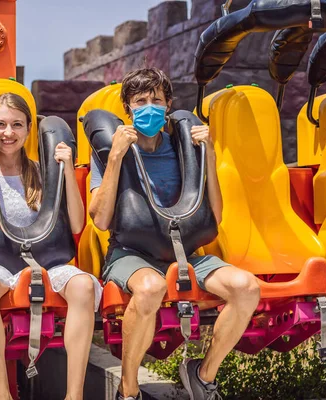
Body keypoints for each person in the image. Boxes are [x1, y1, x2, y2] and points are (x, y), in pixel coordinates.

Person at [88, 68, 260, 400]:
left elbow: (217, 214)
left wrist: (208, 153)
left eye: (157, 100)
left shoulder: (184, 149)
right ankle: (128, 389)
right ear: (128, 108)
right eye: (140, 101)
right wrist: (116, 158)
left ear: (168, 104)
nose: (149, 107)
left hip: (185, 253)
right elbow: (101, 219)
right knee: (151, 288)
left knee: (247, 288)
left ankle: (202, 374)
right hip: (131, 254)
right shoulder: (112, 149)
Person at [0, 93, 102, 400]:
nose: (9, 133)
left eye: (17, 125)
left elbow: (75, 225)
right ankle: (2, 394)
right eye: (1, 125)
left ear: (29, 129)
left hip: (45, 261)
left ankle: (74, 394)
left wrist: (67, 171)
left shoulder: (41, 172)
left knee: (84, 286)